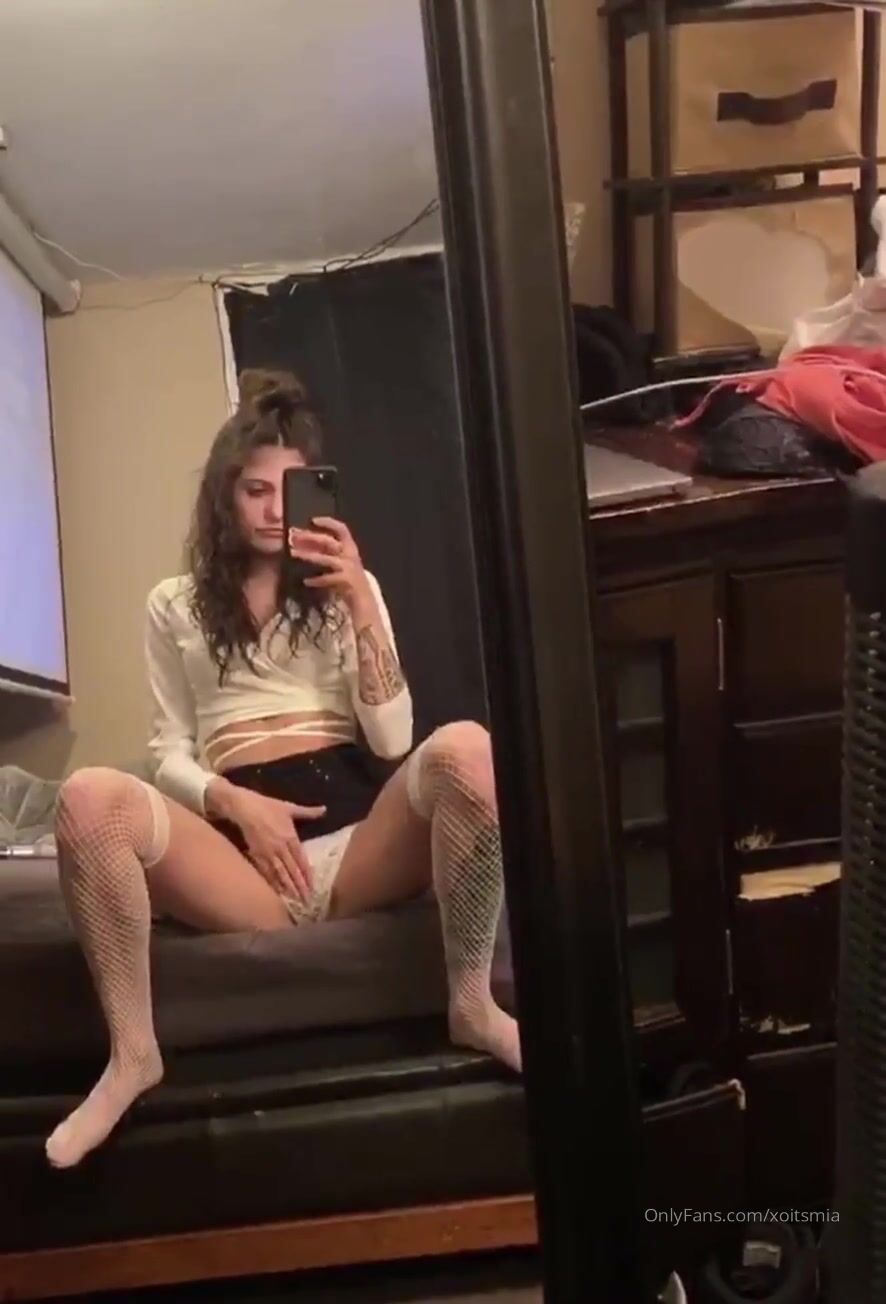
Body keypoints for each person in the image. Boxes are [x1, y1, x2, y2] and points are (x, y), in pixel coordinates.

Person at [45, 370, 521, 1170]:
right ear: (226, 497)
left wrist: (361, 606)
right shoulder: (174, 604)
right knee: (89, 796)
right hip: (241, 865)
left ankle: (472, 1004)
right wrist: (233, 803)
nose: (273, 509)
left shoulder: (350, 589)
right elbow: (167, 751)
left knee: (468, 748)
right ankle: (133, 1053)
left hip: (355, 849)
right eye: (255, 490)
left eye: (289, 490)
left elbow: (393, 739)